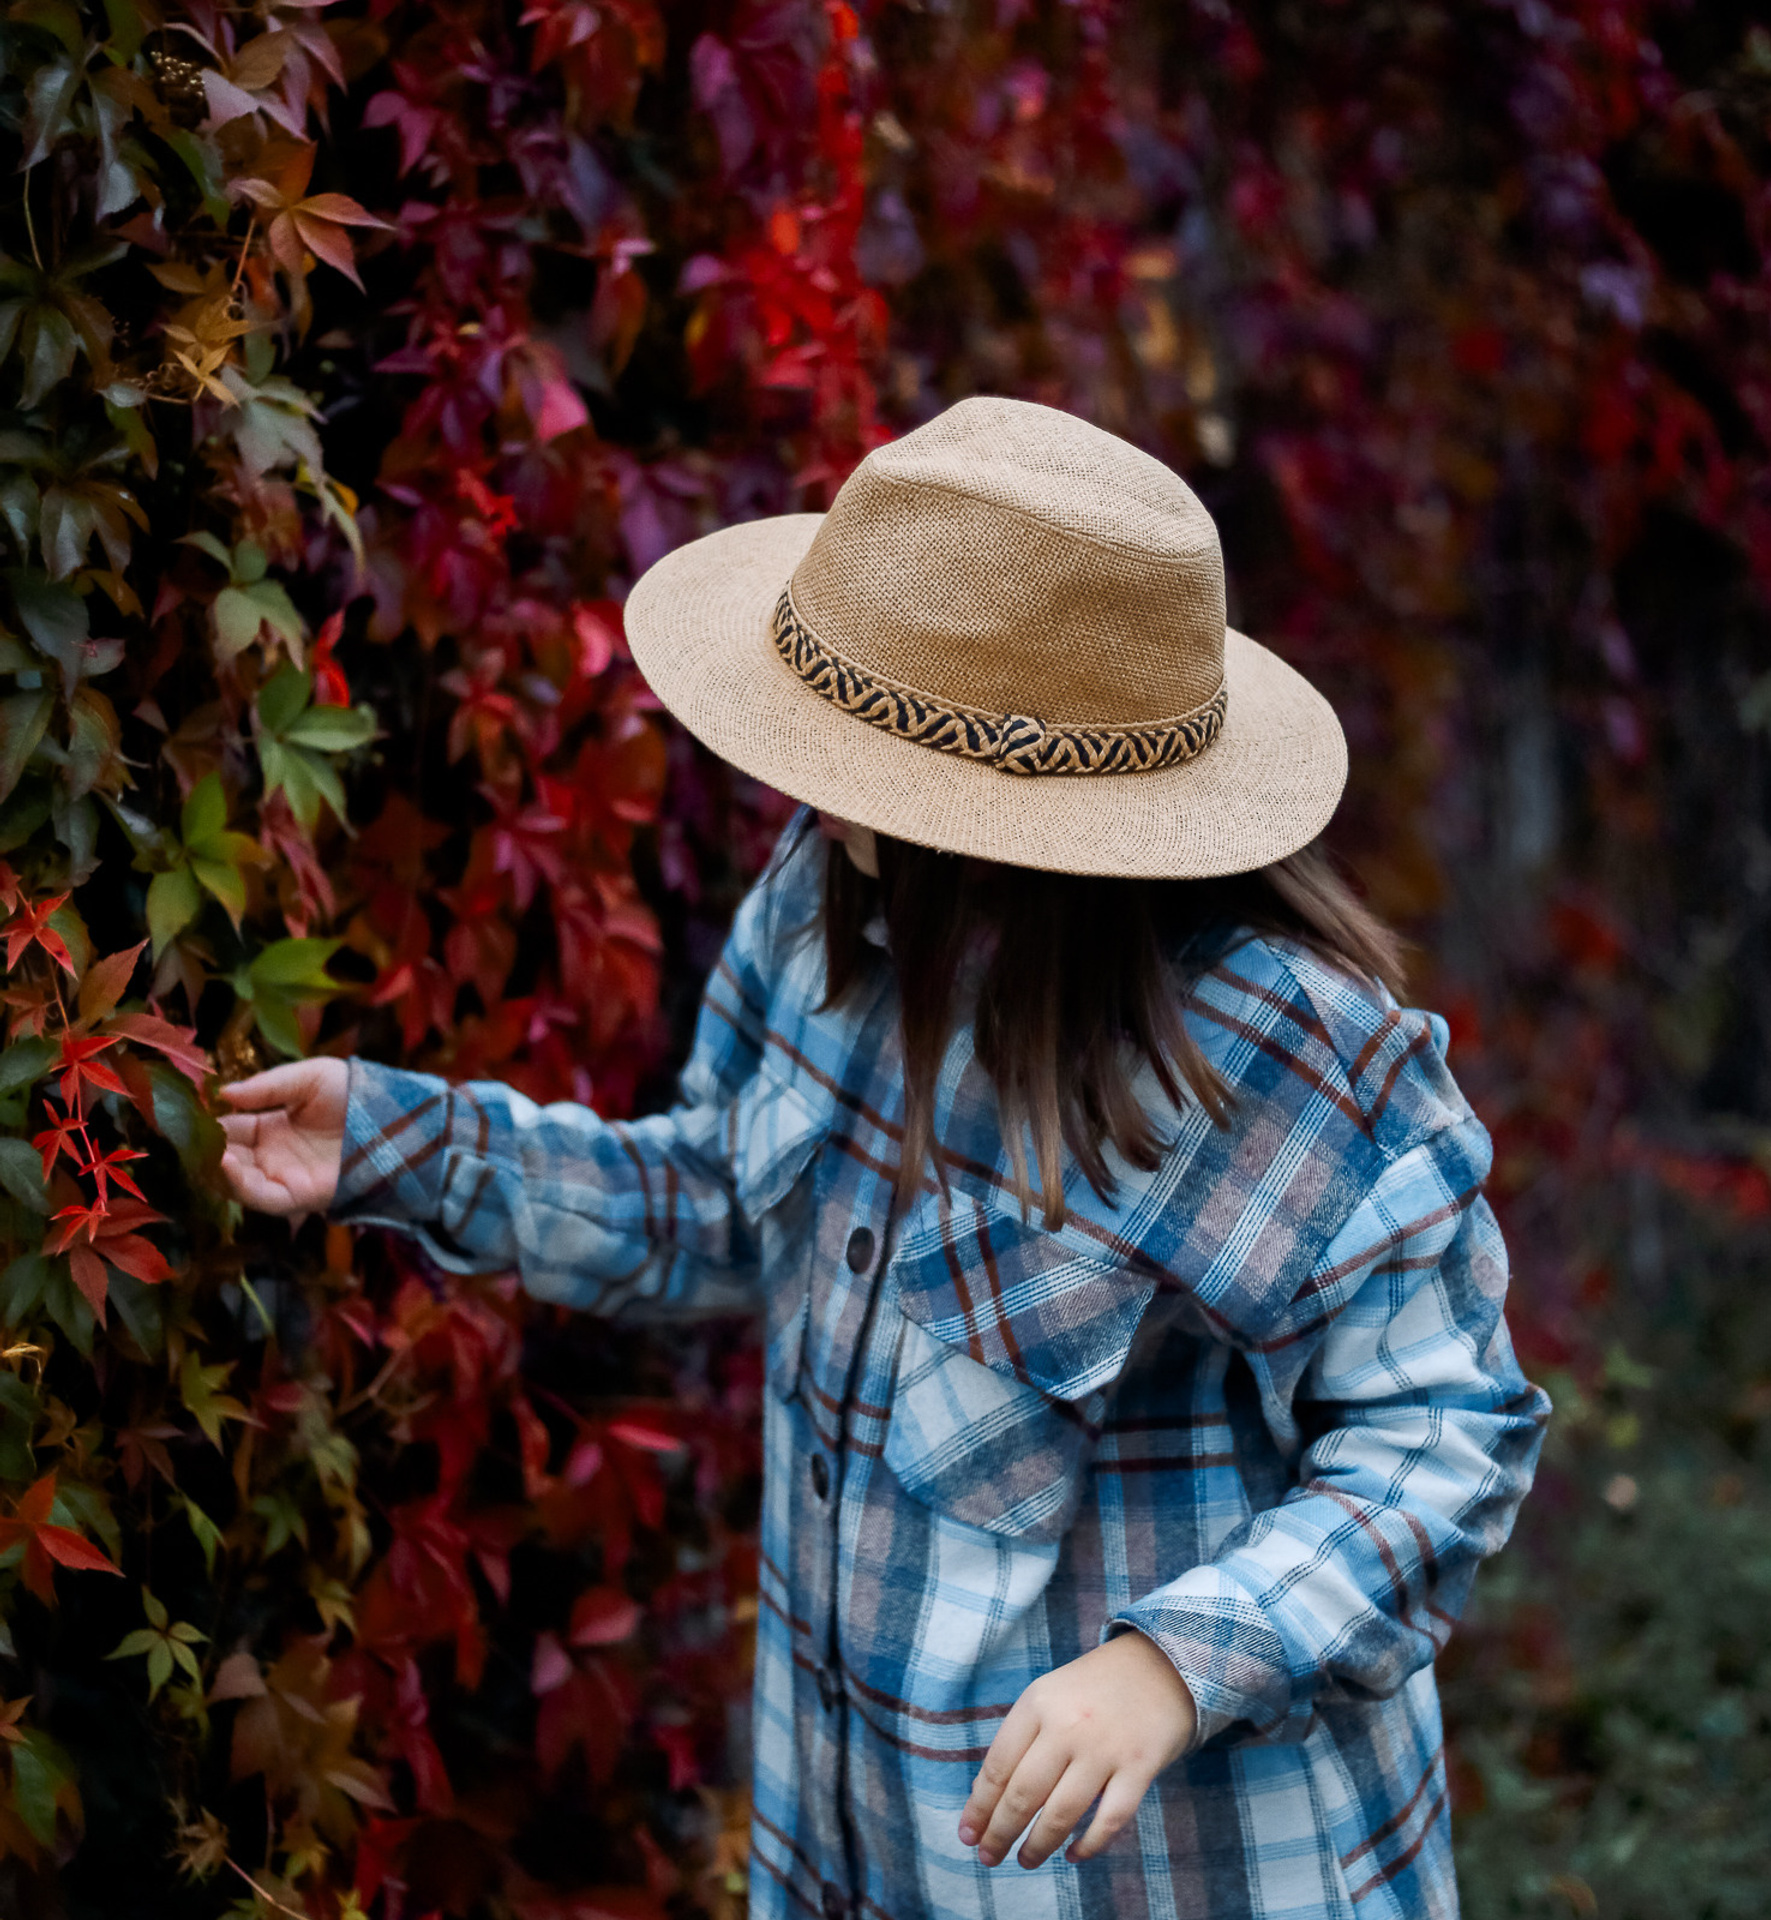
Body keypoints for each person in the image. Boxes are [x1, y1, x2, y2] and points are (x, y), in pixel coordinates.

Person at [221, 397, 1549, 1920]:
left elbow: (1443, 1437)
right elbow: (720, 1203)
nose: (800, 771)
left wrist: (1176, 1665)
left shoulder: (1290, 1056)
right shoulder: (829, 911)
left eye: (848, 740)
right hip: (868, 1848)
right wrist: (406, 1144)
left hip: (1186, 1878)